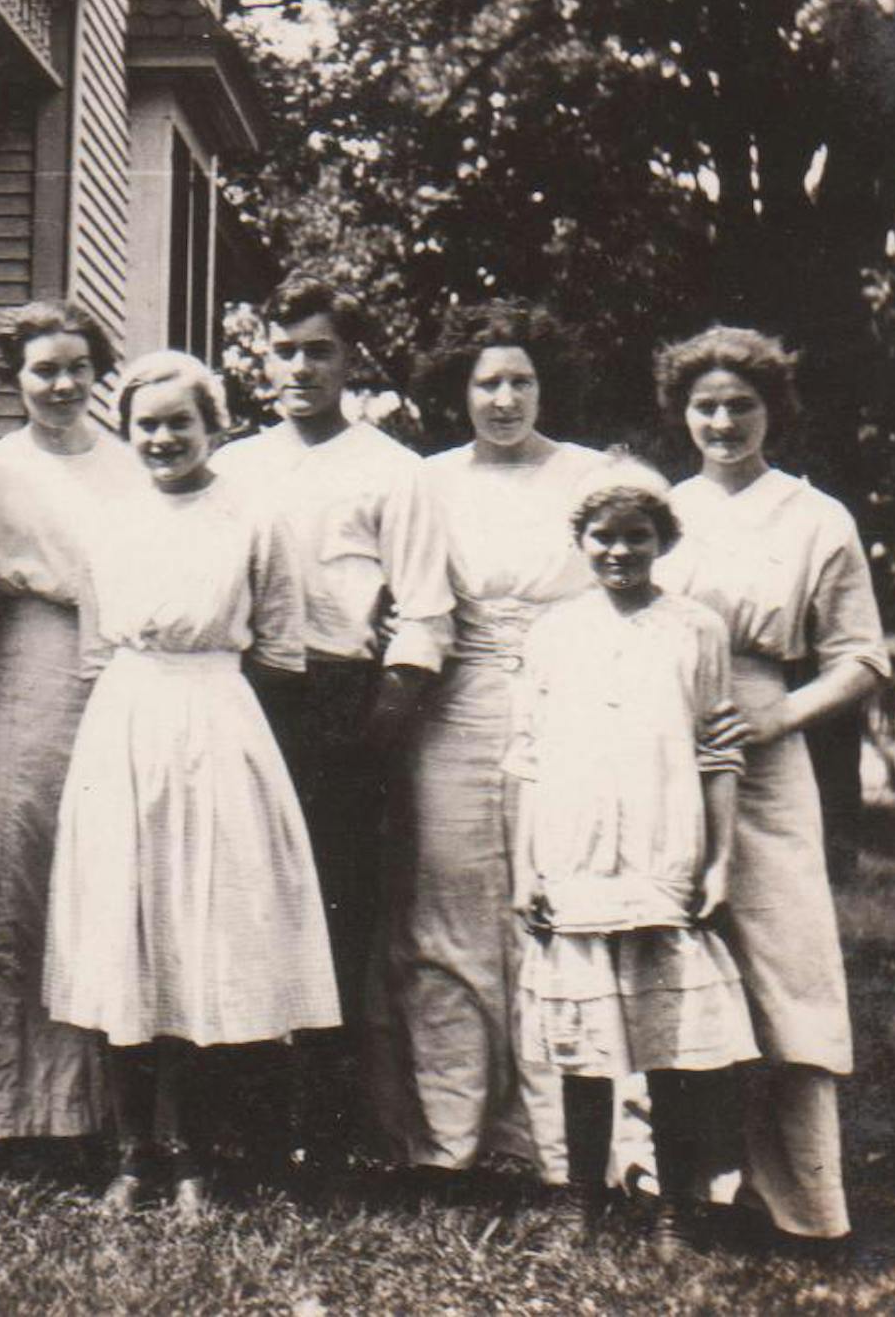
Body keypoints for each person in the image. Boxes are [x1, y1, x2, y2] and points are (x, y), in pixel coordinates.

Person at [43, 351, 339, 1218]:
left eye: (181, 422)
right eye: (147, 425)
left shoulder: (254, 517)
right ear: (126, 433)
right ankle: (135, 1157)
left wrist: (226, 725)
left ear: (215, 426)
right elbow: (95, 649)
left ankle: (198, 1160)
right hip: (126, 722)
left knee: (208, 935)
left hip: (219, 719)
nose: (163, 438)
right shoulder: (105, 520)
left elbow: (282, 645)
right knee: (124, 932)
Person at [211, 274, 452, 1164]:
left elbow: (425, 612)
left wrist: (378, 728)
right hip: (243, 694)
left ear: (350, 361)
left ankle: (330, 1133)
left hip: (346, 700)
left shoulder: (394, 471)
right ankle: (247, 1127)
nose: (301, 368)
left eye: (320, 351)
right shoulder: (231, 464)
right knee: (241, 901)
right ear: (262, 360)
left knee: (339, 907)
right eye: (285, 351)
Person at [654, 325, 887, 1244]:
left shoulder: (814, 517)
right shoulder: (659, 507)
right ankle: (681, 1188)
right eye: (705, 406)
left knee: (784, 962)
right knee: (676, 954)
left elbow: (862, 659)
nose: (721, 422)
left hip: (764, 745)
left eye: (740, 406)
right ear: (683, 412)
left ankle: (800, 1201)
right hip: (661, 745)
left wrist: (774, 716)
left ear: (771, 412)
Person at [367, 301, 600, 1181]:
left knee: (558, 909)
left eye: (522, 380)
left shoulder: (593, 476)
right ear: (458, 391)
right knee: (449, 916)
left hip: (571, 705)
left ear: (547, 386)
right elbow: (409, 607)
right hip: (455, 710)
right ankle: (449, 1140)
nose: (504, 398)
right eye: (487, 382)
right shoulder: (427, 482)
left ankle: (557, 1149)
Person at [506, 457, 757, 1261]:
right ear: (579, 541)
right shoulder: (553, 632)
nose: (619, 552)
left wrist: (718, 863)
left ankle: (675, 1213)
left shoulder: (696, 628)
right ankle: (581, 1205)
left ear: (664, 540)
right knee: (583, 1051)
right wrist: (524, 870)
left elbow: (719, 754)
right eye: (603, 537)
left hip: (663, 851)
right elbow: (526, 760)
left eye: (637, 537)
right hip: (572, 855)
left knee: (671, 1049)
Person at [0, 299, 143, 1144]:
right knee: (11, 868)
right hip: (22, 667)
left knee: (101, 871)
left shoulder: (136, 467)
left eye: (76, 368)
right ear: (14, 381)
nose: (62, 385)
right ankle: (5, 1107)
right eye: (43, 370)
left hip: (120, 673)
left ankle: (95, 1107)